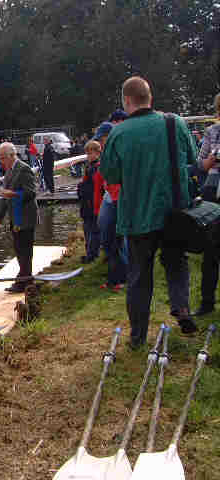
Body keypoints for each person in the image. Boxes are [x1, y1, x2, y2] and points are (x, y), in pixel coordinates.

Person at [99, 76, 198, 348]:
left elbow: (110, 174)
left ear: (127, 101)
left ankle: (138, 336)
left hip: (137, 215)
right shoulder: (174, 122)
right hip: (173, 212)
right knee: (176, 263)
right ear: (150, 98)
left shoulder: (119, 132)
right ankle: (182, 308)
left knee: (139, 275)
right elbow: (193, 159)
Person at [0, 142, 38, 293]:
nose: (1, 162)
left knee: (25, 250)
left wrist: (13, 194)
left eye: (3, 158)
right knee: (19, 249)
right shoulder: (8, 172)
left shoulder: (24, 169)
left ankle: (24, 281)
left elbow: (31, 193)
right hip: (15, 217)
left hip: (26, 217)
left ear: (12, 155)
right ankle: (25, 279)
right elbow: (5, 198)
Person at [193, 93, 220, 316]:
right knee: (211, 248)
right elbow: (199, 163)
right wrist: (209, 161)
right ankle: (207, 302)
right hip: (213, 188)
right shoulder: (211, 132)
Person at [94, 123, 127, 290]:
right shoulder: (106, 152)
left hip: (121, 195)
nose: (100, 142)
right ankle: (113, 278)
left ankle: (122, 279)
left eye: (102, 138)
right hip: (110, 195)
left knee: (119, 240)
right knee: (107, 237)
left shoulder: (121, 148)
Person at [77, 138, 105, 264]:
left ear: (98, 153)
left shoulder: (98, 167)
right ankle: (89, 252)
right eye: (87, 153)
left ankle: (92, 254)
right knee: (87, 229)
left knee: (93, 230)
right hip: (86, 203)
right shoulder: (89, 166)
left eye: (90, 153)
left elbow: (95, 187)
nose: (88, 156)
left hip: (93, 203)